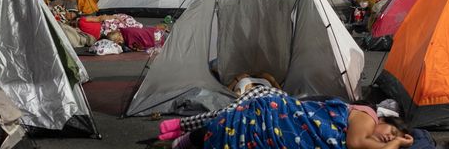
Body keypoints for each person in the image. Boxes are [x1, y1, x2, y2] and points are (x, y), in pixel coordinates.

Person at [162, 92, 413, 149]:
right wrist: (396, 144)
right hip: (279, 117)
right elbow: (356, 143)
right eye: (392, 130)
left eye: (392, 138)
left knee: (233, 126)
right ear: (382, 119)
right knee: (240, 126)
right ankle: (182, 138)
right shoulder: (367, 117)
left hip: (281, 116)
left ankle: (184, 138)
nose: (389, 136)